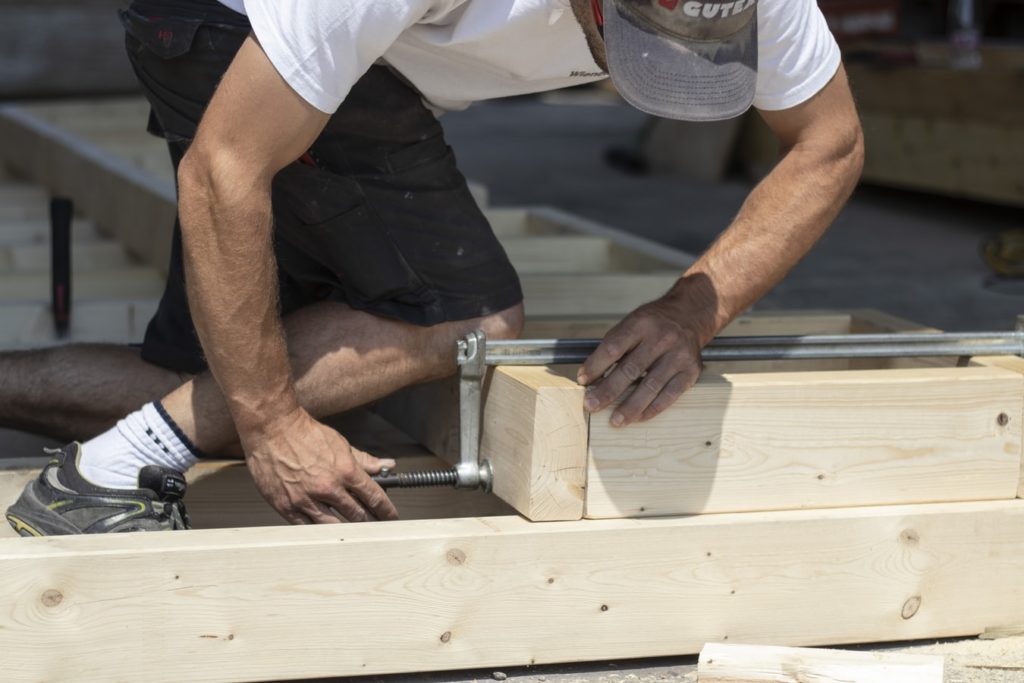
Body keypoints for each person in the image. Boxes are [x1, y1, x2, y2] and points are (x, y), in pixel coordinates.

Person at [2, 0, 863, 535]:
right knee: (462, 318)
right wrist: (272, 428)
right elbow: (223, 169)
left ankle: (132, 436)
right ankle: (106, 475)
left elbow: (831, 142)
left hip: (345, 53)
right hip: (229, 23)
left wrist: (692, 311)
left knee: (208, 375)